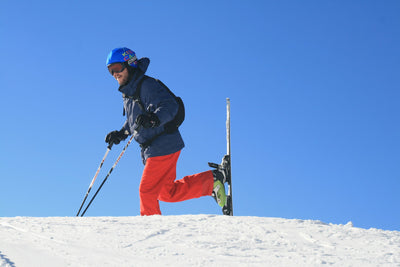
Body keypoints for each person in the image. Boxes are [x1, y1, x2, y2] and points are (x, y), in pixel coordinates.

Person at [104, 47, 227, 216]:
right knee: (165, 192)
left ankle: (151, 233)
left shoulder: (147, 85)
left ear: (130, 65)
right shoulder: (129, 93)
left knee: (147, 191)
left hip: (162, 144)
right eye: (110, 70)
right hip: (153, 148)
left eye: (117, 68)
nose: (114, 74)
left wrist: (154, 119)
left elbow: (169, 106)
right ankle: (212, 181)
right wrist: (121, 133)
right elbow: (135, 120)